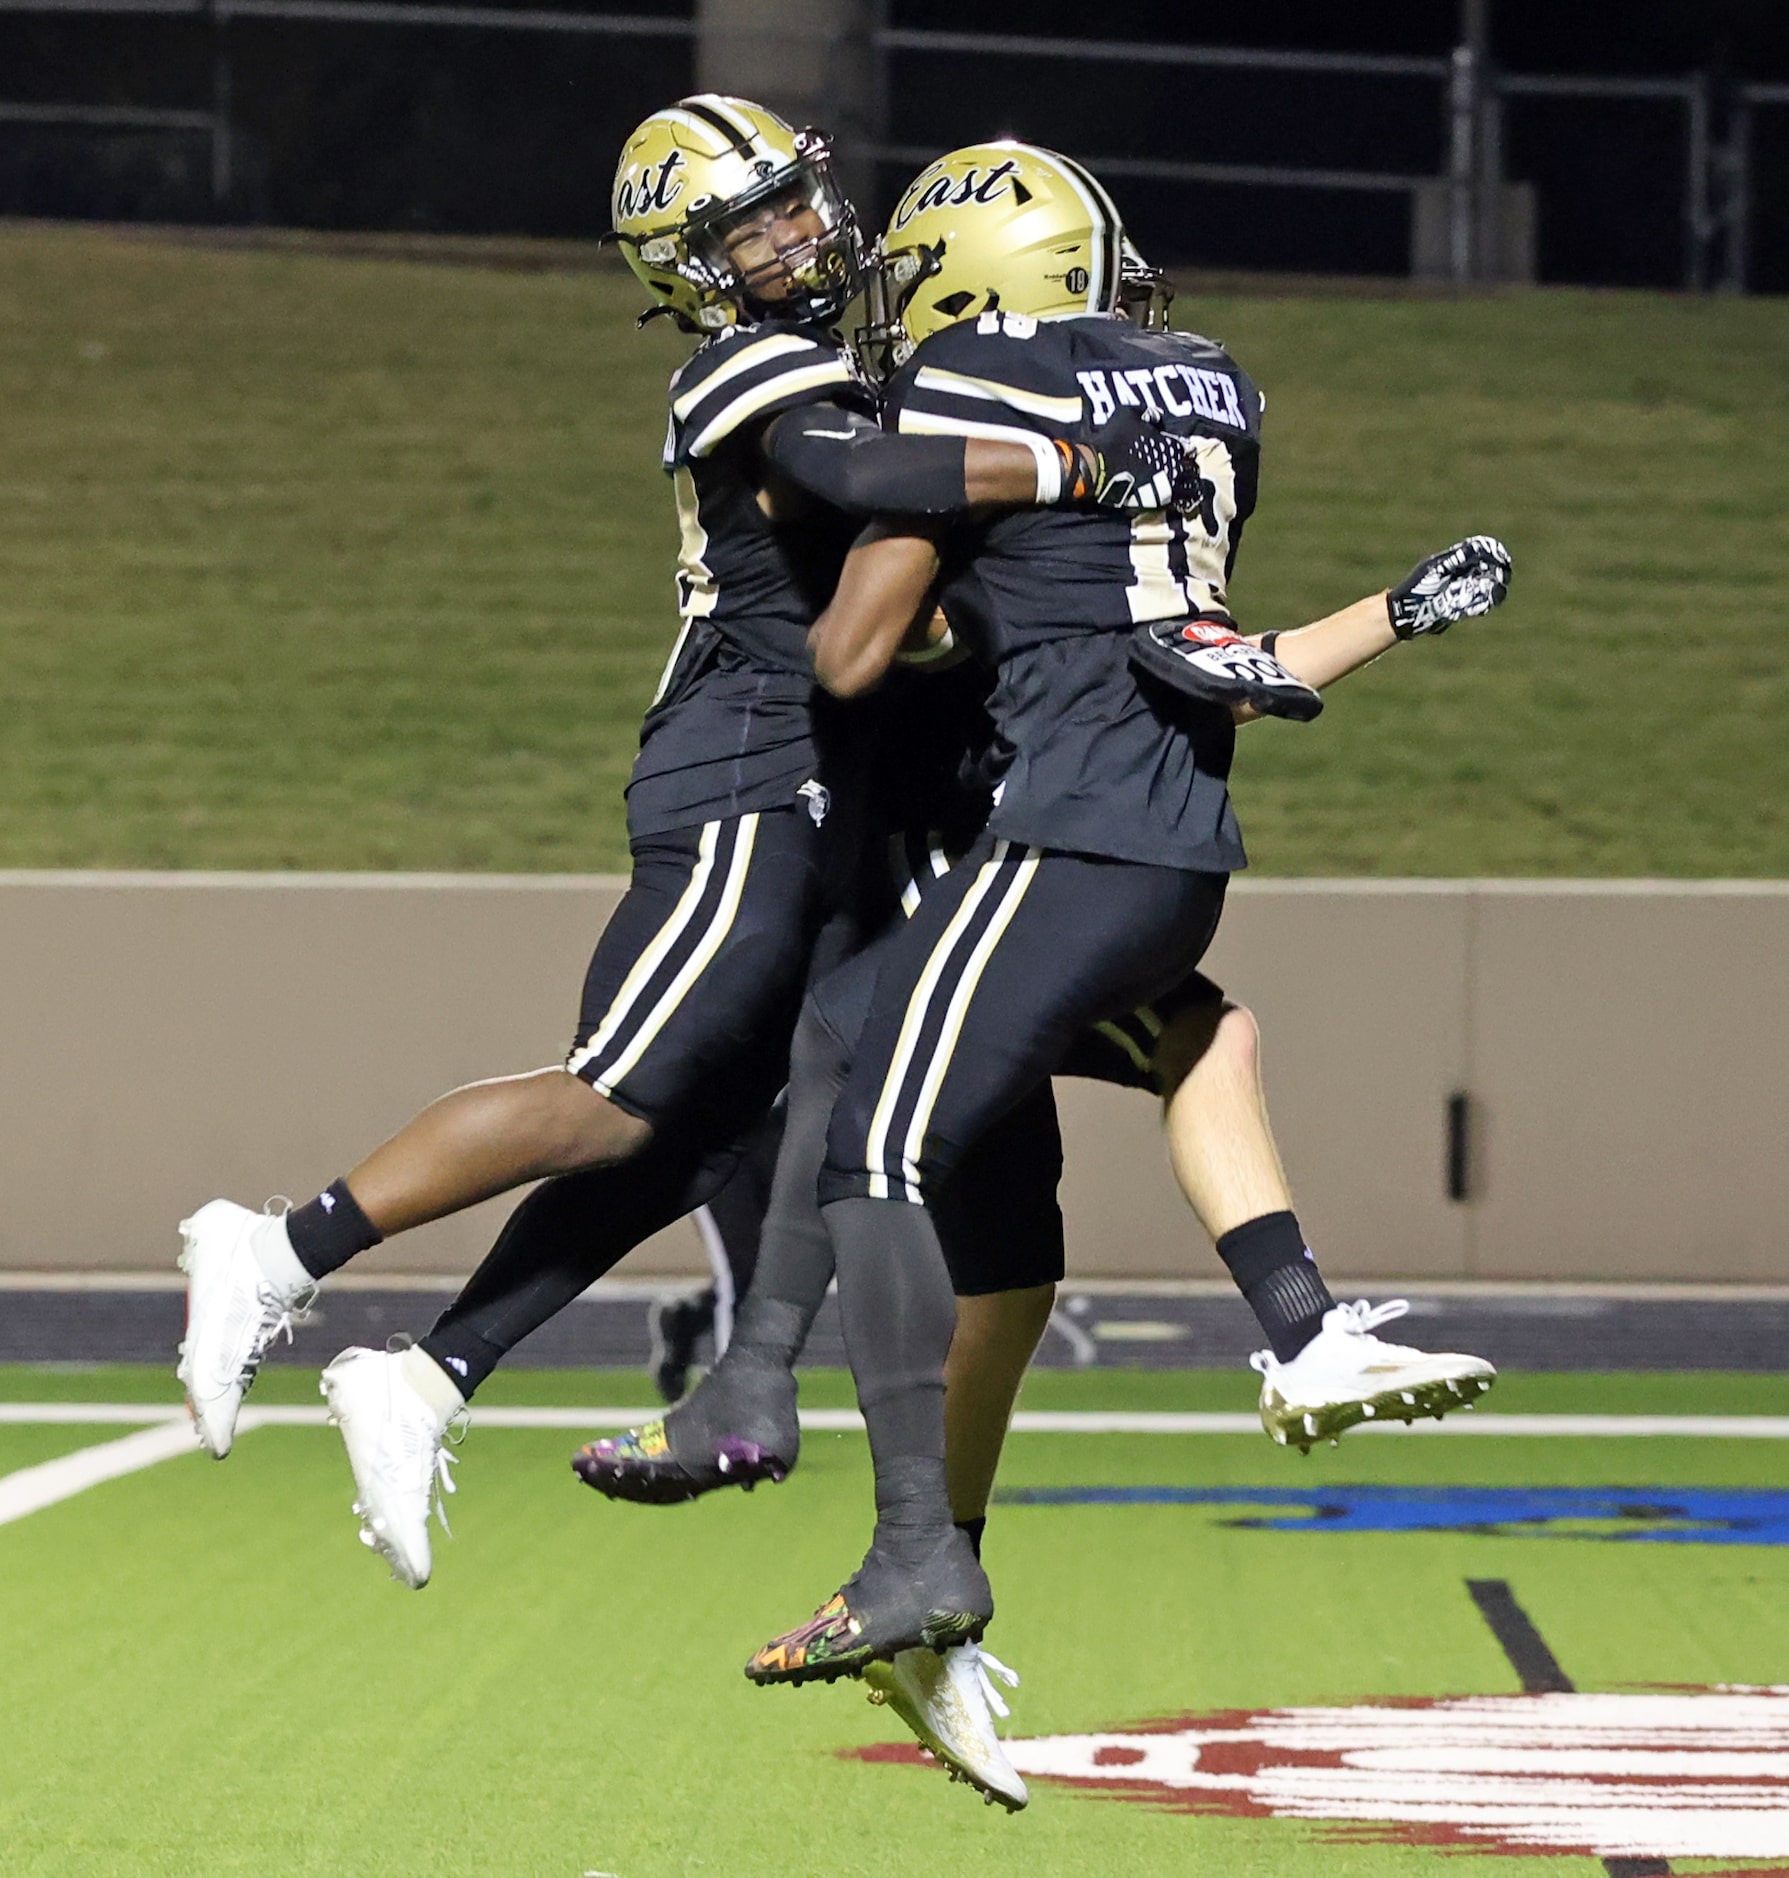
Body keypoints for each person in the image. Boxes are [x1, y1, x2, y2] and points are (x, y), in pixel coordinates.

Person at [172, 98, 1174, 1526]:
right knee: (613, 1089)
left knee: (693, 1136)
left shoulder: (849, 352)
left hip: (838, 777)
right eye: (747, 223)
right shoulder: (745, 365)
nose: (796, 233)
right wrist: (1070, 459)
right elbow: (853, 477)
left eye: (793, 199)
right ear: (687, 269)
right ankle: (273, 1247)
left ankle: (434, 1373)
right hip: (747, 757)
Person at [679, 141, 1512, 1693]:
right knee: (1178, 1058)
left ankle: (874, 1516)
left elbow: (857, 650)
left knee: (862, 1125)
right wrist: (1393, 615)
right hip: (1164, 840)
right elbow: (1209, 652)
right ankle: (1296, 1324)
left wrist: (868, 535)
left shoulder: (986, 382)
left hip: (1027, 847)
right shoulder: (1203, 390)